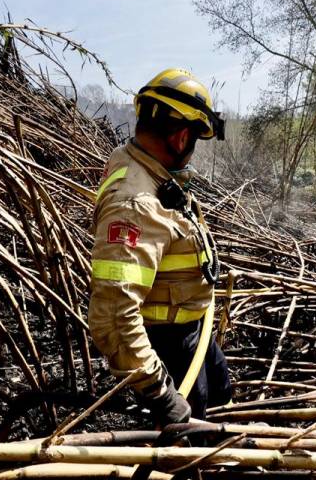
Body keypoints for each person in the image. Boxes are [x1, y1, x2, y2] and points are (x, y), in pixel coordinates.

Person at [87, 68, 233, 427]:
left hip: (192, 329)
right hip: (167, 347)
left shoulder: (146, 168)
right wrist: (161, 393)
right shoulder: (135, 204)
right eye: (196, 141)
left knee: (222, 397)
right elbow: (114, 316)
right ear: (182, 138)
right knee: (187, 456)